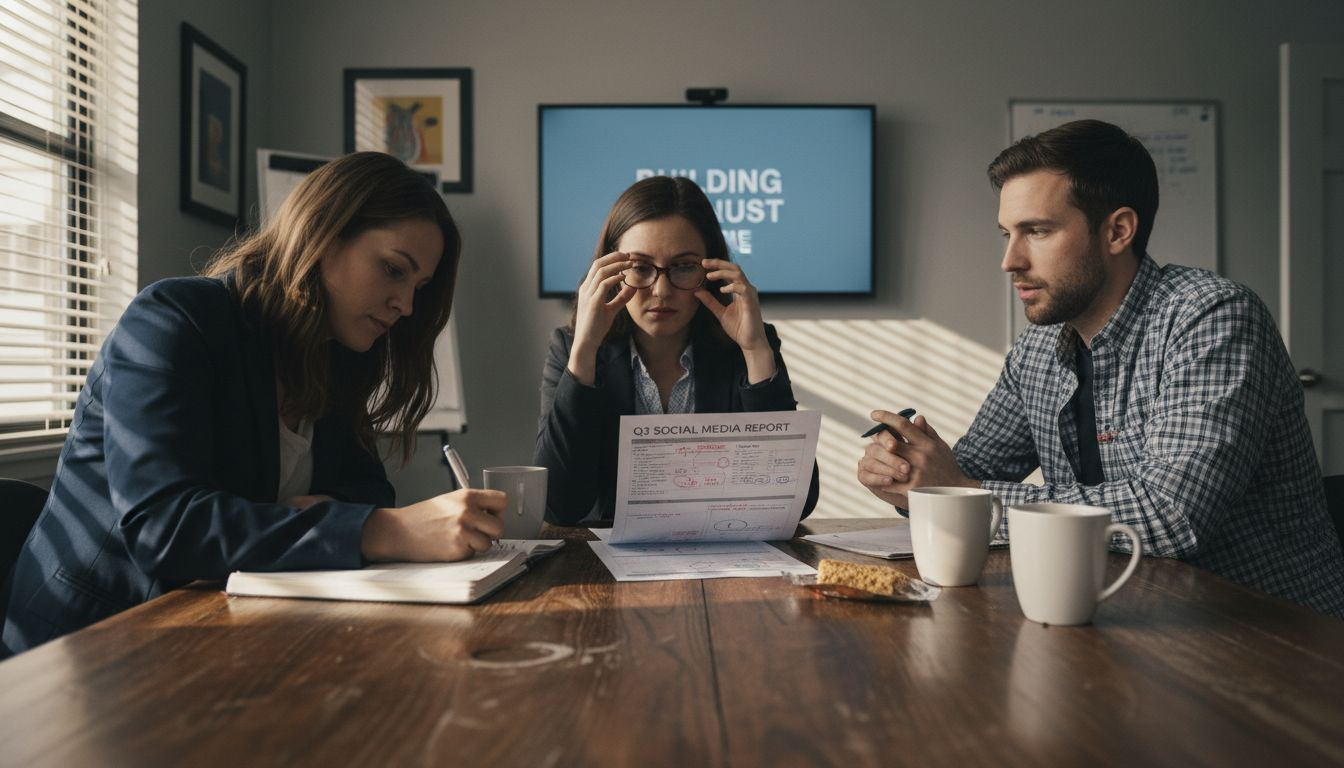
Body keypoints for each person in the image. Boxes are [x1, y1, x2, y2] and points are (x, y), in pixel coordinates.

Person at [2, 152, 507, 654]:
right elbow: (166, 529)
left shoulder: (333, 358)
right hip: (91, 653)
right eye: (394, 269)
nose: (407, 305)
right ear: (323, 236)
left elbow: (364, 495)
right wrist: (377, 529)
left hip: (225, 639)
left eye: (418, 287)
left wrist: (296, 519)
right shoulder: (172, 321)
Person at [857, 119, 1344, 616]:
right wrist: (907, 476)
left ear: (1117, 230)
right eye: (1007, 233)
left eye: (1037, 231)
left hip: (1269, 636)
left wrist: (961, 492)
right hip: (1125, 621)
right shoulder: (1039, 348)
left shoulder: (1211, 316)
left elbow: (1171, 517)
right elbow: (970, 475)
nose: (1009, 260)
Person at [535, 175, 819, 525]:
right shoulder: (572, 348)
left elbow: (798, 499)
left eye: (683, 267)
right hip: (603, 565)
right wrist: (585, 349)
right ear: (609, 270)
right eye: (640, 268)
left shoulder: (746, 346)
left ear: (711, 270)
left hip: (723, 559)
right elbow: (558, 505)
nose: (661, 290)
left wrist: (756, 350)